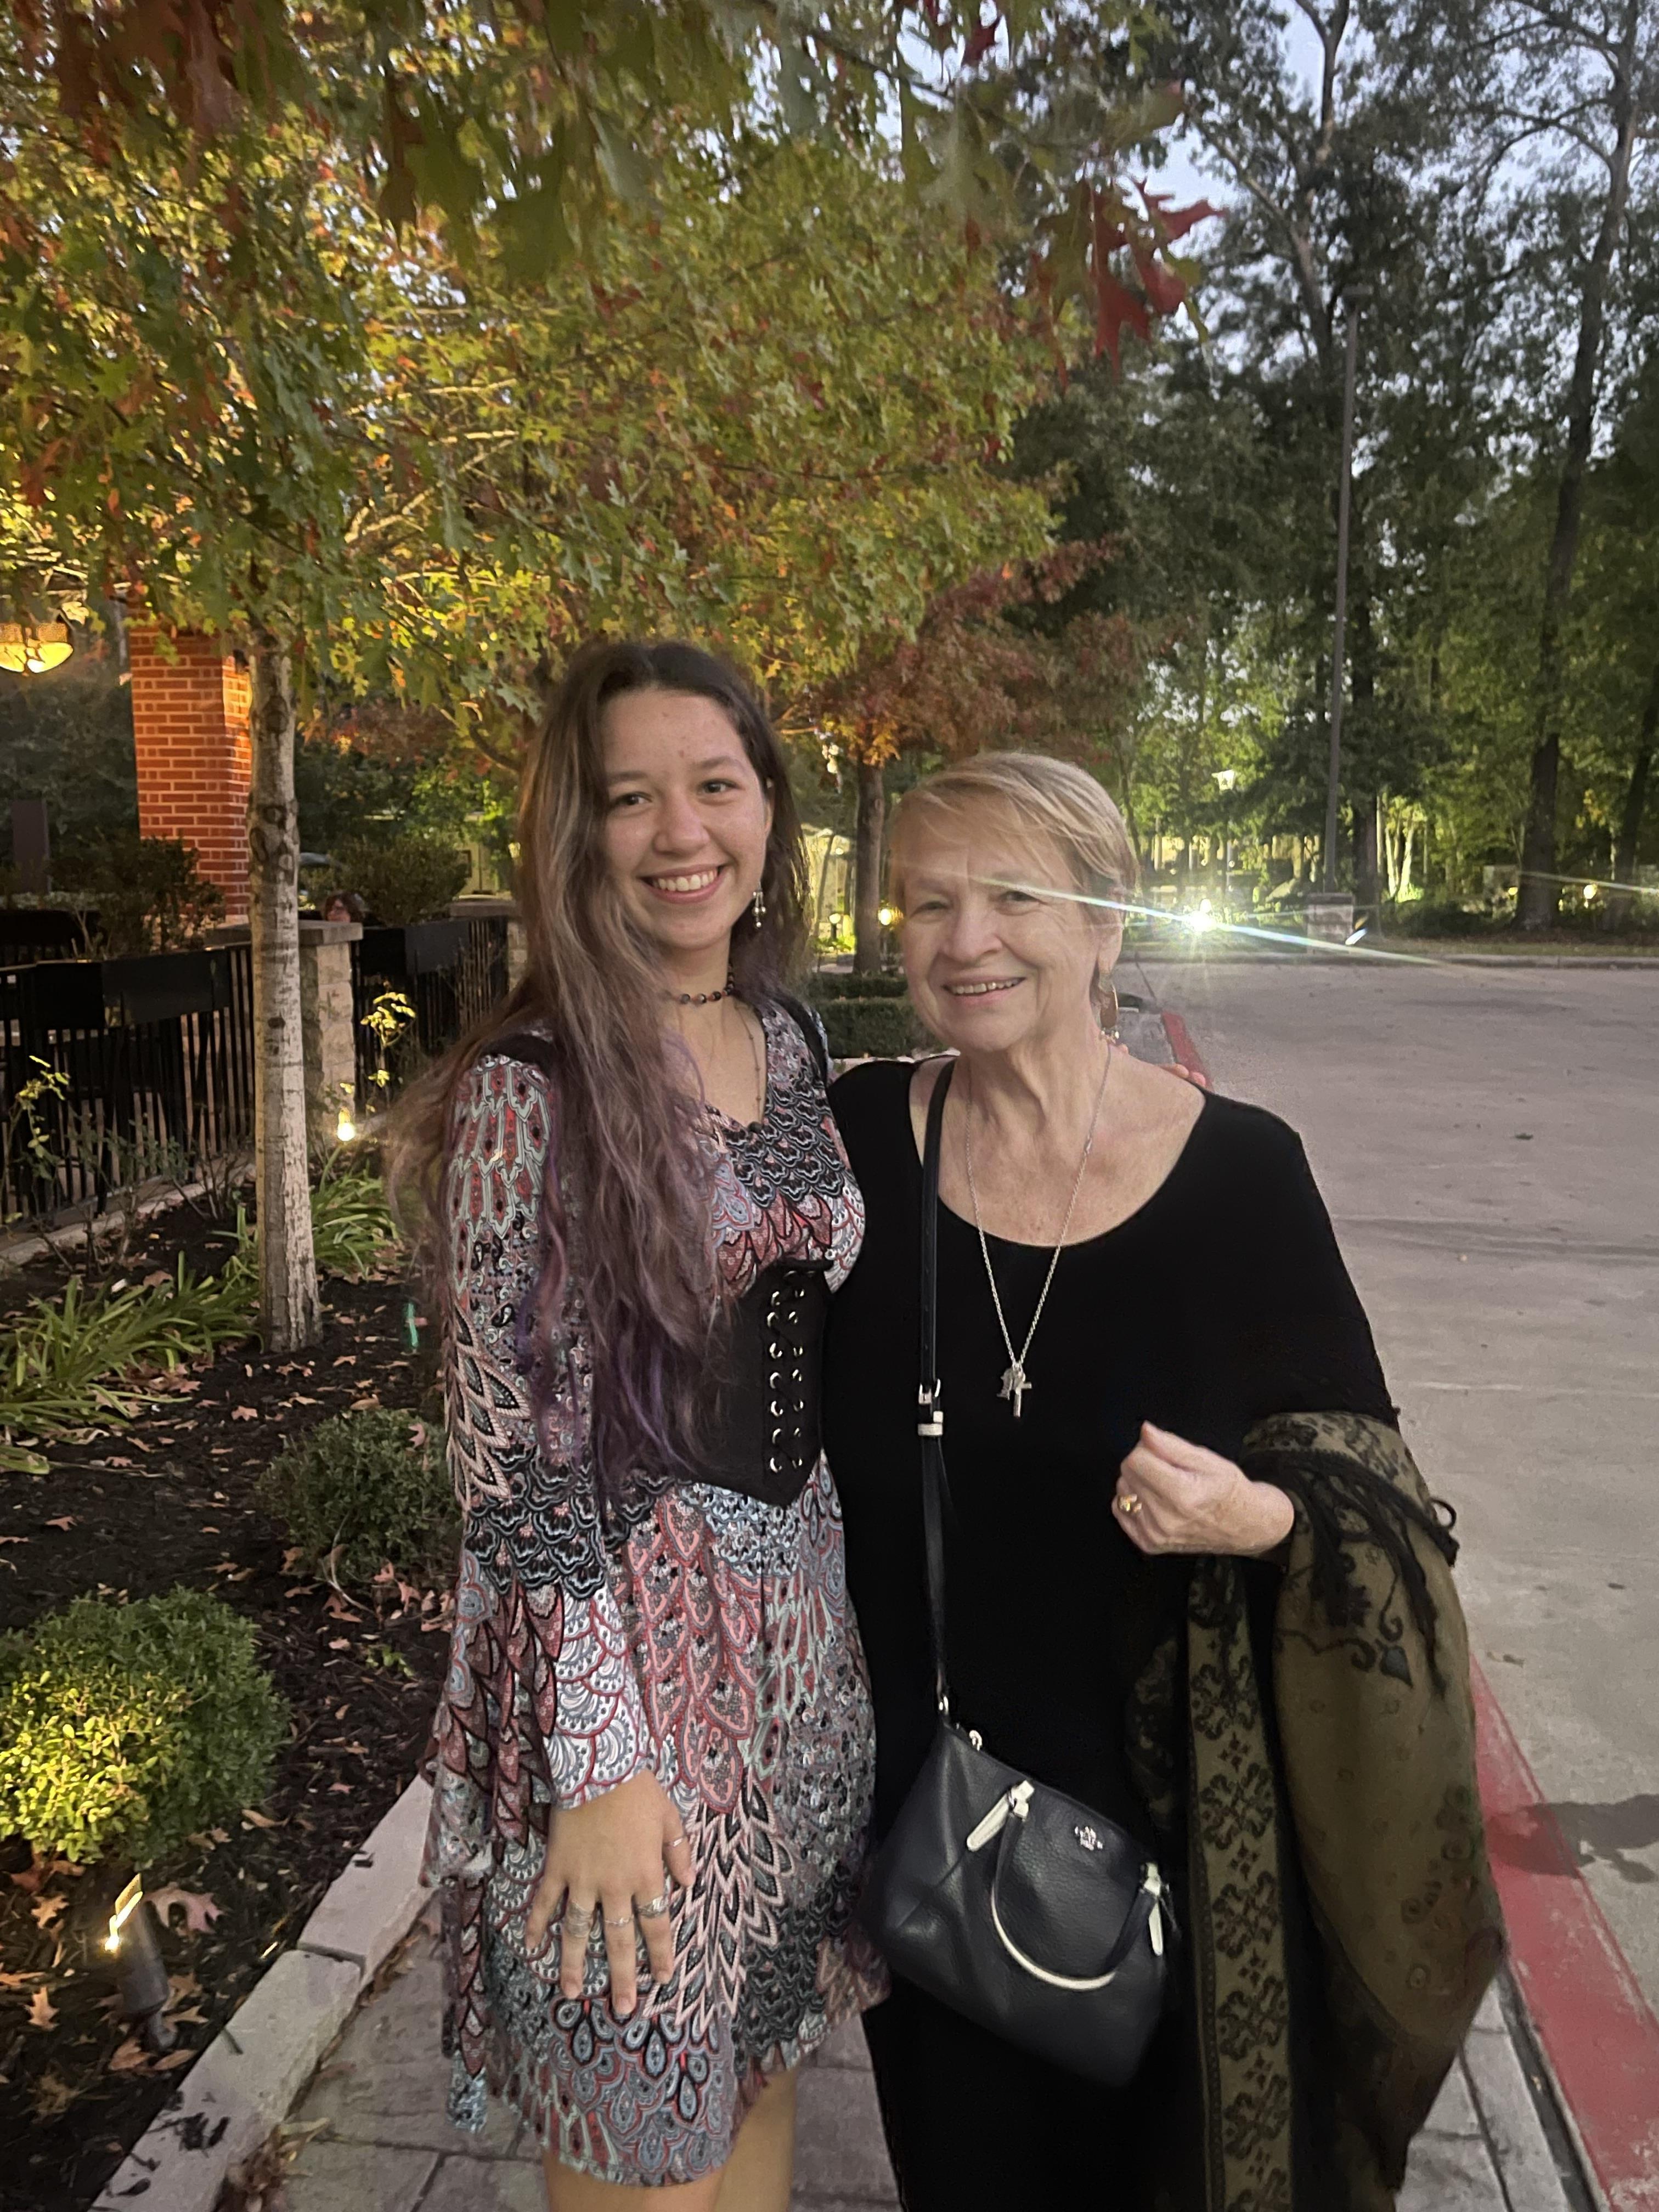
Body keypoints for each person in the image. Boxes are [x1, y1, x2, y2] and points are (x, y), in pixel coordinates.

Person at [821, 753, 1503, 2211]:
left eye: (1014, 896)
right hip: (935, 1839)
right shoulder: (858, 1147)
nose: (963, 940)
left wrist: (1256, 1520)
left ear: (1107, 923)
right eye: (926, 903)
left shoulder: (1244, 1178)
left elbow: (1387, 1519)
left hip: (1191, 1853)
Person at [394, 640, 882, 2209]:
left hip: (800, 1671)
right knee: (641, 2134)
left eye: (715, 786)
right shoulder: (528, 1087)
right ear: (576, 834)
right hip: (629, 1686)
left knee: (755, 2099)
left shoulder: (791, 1041)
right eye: (629, 799)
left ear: (768, 808)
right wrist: (598, 1764)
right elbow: (505, 1454)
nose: (682, 833)